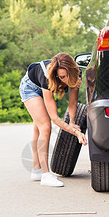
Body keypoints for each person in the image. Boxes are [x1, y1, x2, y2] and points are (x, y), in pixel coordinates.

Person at [19, 53, 87, 187]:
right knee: (45, 126)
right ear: (56, 74)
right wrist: (75, 132)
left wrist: (72, 122)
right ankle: (45, 175)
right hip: (30, 88)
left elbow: (73, 103)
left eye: (67, 76)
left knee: (38, 128)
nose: (65, 80)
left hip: (41, 86)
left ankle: (36, 170)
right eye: (61, 77)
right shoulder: (48, 76)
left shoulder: (76, 73)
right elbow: (55, 118)